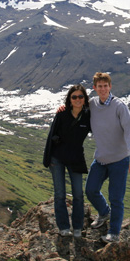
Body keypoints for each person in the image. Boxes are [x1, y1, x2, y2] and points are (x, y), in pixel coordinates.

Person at [85, 72, 130, 243]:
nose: (102, 89)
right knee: (91, 190)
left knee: (116, 198)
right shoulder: (92, 104)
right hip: (101, 158)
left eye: (105, 86)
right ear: (94, 88)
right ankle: (104, 213)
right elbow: (76, 110)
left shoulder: (119, 106)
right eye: (99, 86)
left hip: (119, 160)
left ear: (110, 87)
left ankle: (114, 233)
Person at [43, 84, 91, 237]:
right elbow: (52, 135)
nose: (77, 99)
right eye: (74, 97)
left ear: (85, 99)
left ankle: (77, 227)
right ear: (69, 99)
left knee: (78, 194)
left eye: (80, 96)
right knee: (60, 194)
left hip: (76, 158)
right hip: (57, 158)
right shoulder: (62, 114)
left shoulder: (88, 116)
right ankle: (63, 227)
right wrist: (48, 159)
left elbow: (101, 128)